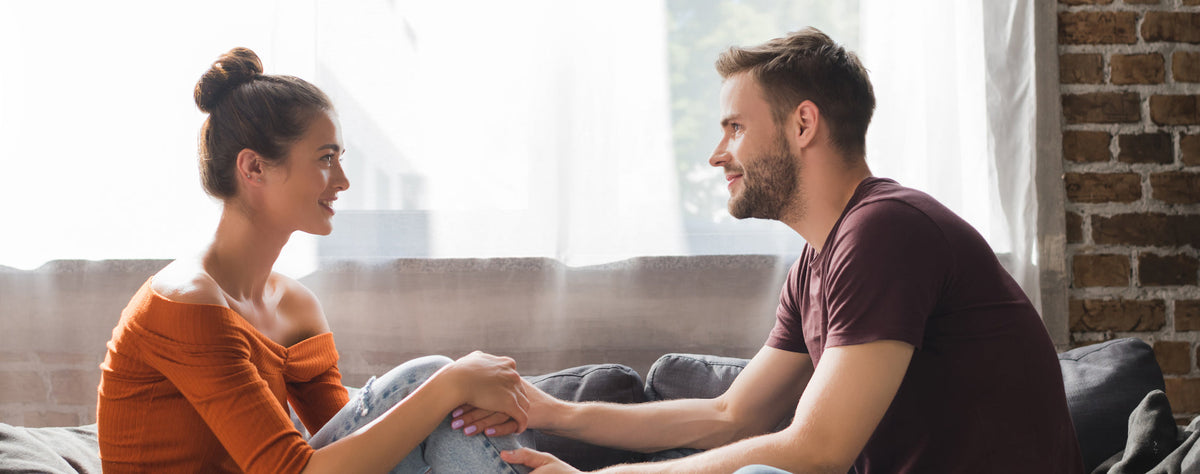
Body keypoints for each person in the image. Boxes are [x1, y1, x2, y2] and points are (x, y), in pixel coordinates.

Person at [455, 28, 1085, 473]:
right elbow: (731, 414)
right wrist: (551, 412)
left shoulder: (887, 231)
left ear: (803, 124)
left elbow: (818, 450)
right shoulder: (820, 259)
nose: (716, 153)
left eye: (734, 126)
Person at [97, 47, 533, 474]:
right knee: (434, 378)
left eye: (340, 158)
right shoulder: (187, 303)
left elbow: (361, 454)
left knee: (444, 405)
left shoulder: (295, 306)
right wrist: (449, 384)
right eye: (326, 158)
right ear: (254, 169)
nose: (342, 181)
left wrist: (456, 397)